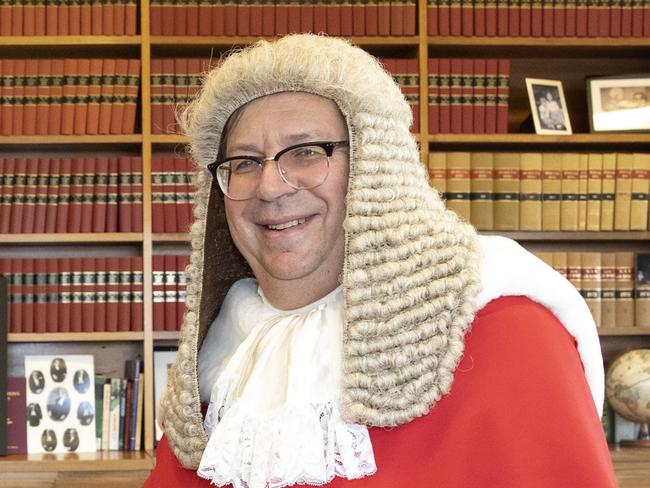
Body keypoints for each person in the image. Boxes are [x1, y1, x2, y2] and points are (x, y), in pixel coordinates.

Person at [144, 35, 616, 487]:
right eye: (244, 162)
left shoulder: (503, 328)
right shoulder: (223, 357)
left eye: (307, 152)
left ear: (375, 166)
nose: (269, 186)